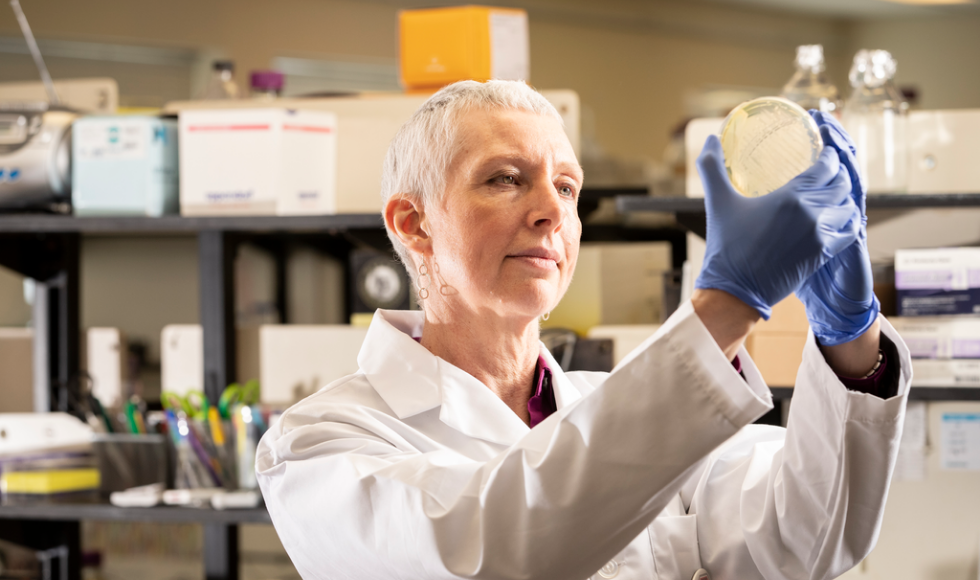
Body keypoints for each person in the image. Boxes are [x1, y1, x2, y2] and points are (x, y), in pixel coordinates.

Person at [256, 80, 910, 580]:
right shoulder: (317, 445)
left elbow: (810, 541)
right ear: (412, 223)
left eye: (566, 187)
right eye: (505, 179)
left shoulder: (629, 405)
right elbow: (497, 549)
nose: (550, 211)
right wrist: (726, 307)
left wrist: (849, 340)